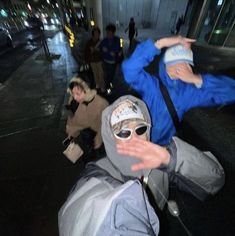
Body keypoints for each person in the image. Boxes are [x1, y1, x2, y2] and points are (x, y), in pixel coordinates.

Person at [101, 95, 224, 209]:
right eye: (124, 132)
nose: (135, 139)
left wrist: (172, 159)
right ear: (111, 137)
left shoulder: (157, 160)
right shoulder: (102, 172)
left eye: (140, 129)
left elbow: (214, 182)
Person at [122, 36, 235, 145]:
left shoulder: (188, 93)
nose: (180, 68)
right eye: (175, 63)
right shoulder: (152, 85)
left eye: (186, 64)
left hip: (164, 147)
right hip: (141, 141)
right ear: (165, 64)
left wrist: (198, 79)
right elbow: (129, 69)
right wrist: (160, 43)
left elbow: (230, 92)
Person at [65, 77, 109, 151]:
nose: (75, 97)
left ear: (87, 91)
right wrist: (71, 135)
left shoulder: (101, 103)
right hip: (84, 134)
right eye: (73, 93)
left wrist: (99, 139)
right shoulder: (73, 102)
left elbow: (105, 124)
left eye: (78, 94)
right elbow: (72, 120)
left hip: (98, 135)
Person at [101, 23, 123, 91]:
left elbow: (118, 50)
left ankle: (108, 86)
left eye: (110, 32)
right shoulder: (104, 40)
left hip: (113, 62)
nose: (108, 34)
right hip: (105, 61)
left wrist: (108, 50)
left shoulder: (118, 39)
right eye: (107, 32)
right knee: (106, 75)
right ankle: (107, 86)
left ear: (113, 32)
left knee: (111, 75)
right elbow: (102, 49)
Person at [84, 27, 105, 93]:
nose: (97, 34)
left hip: (99, 60)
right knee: (95, 73)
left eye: (98, 33)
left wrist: (99, 50)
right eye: (95, 33)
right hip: (92, 61)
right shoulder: (89, 42)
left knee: (101, 74)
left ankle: (102, 85)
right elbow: (86, 51)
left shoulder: (101, 42)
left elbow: (103, 51)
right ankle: (97, 84)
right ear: (93, 34)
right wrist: (86, 60)